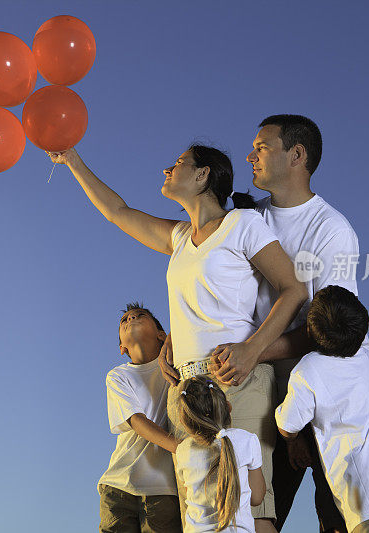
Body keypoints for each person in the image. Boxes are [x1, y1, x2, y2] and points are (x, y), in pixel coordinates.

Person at [49, 145, 308, 533]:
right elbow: (117, 212)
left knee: (252, 510)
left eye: (179, 164)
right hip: (186, 392)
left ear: (203, 176)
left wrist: (253, 350)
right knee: (199, 515)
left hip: (237, 380)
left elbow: (293, 288)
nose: (167, 168)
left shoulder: (242, 225)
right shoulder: (180, 237)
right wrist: (72, 160)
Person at [192, 114, 359, 532]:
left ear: (297, 155)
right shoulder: (246, 220)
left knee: (336, 520)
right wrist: (174, 342)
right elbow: (219, 292)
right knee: (251, 516)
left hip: (326, 403)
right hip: (268, 398)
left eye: (262, 147)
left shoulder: (331, 230)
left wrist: (252, 352)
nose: (249, 156)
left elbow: (330, 332)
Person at [275, 286, 369, 533]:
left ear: (310, 330)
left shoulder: (308, 368)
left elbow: (287, 425)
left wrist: (292, 441)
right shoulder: (366, 359)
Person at [98, 302, 182, 533]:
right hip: (118, 484)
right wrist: (182, 448)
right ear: (122, 348)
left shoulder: (178, 363)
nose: (131, 319)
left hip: (163, 489)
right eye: (124, 320)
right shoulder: (118, 376)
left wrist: (172, 342)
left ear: (161, 334)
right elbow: (136, 421)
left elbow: (186, 326)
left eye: (140, 315)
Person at [175, 375, 266, 533]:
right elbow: (257, 497)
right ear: (228, 407)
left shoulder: (183, 450)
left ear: (185, 420)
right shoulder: (246, 440)